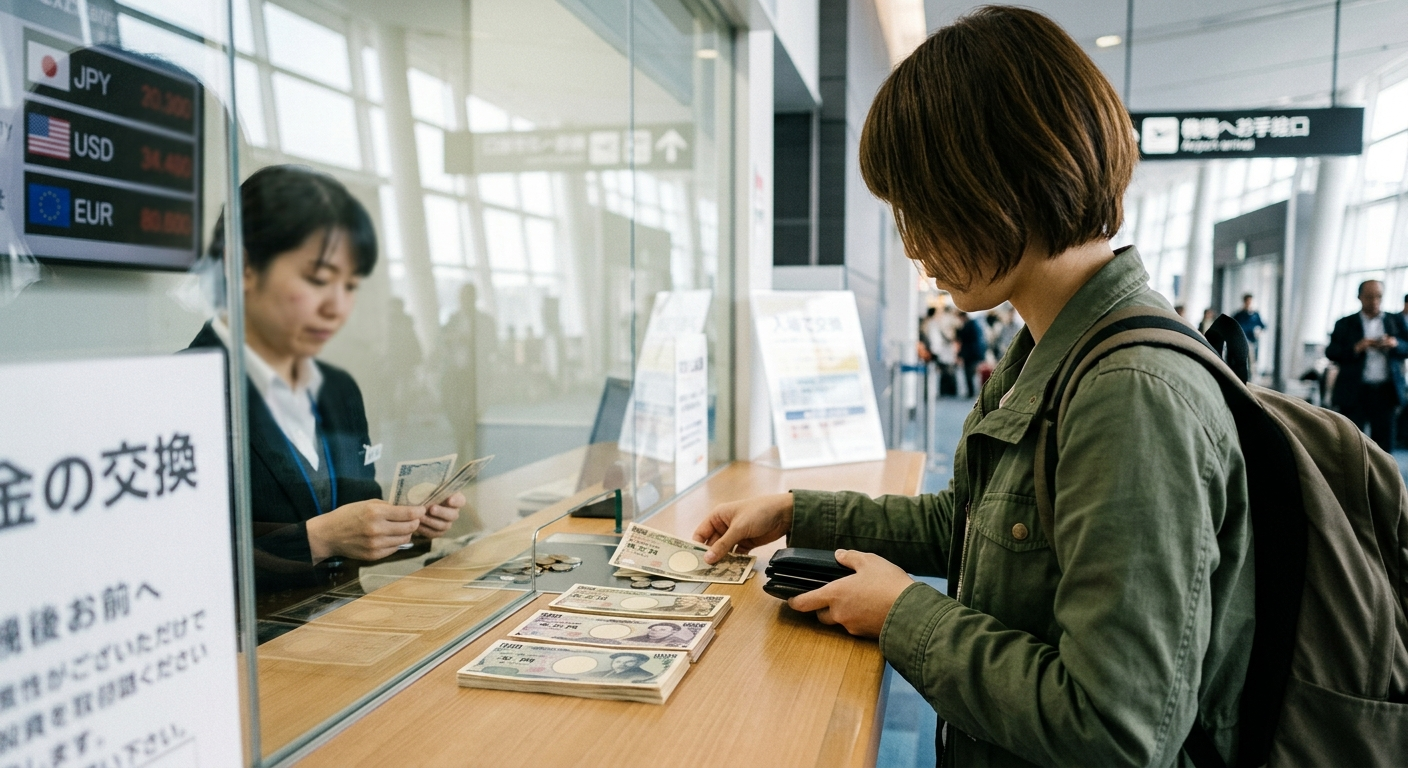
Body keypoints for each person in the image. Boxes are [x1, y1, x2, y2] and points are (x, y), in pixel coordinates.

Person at [693, 8, 1252, 766]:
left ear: (999, 183)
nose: (913, 242)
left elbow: (1118, 728)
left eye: (921, 206)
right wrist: (799, 513)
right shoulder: (1054, 345)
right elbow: (977, 523)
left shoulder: (1130, 392)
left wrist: (904, 616)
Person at [189, 165, 466, 591]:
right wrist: (317, 540)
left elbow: (354, 520)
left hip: (343, 632)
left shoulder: (338, 390)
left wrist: (408, 524)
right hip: (252, 649)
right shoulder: (181, 393)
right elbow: (175, 558)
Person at [1325, 279, 1408, 453]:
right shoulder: (1345, 323)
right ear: (1360, 297)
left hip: (1386, 392)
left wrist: (1395, 344)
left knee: (1384, 448)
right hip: (1355, 392)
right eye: (1370, 297)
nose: (1375, 301)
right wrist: (1357, 348)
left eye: (1379, 297)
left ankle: (1382, 480)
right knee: (1352, 444)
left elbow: (1406, 346)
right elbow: (1331, 352)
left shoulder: (1395, 321)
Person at [956, 311, 987, 397]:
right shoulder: (975, 325)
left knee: (969, 373)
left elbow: (964, 341)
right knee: (972, 373)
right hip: (974, 354)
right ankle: (973, 391)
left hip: (970, 354)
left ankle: (971, 392)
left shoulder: (968, 326)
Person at [1232, 293, 1266, 374]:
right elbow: (1232, 324)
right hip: (1241, 340)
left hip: (1251, 340)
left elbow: (1263, 326)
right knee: (1241, 360)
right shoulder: (1239, 314)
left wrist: (1258, 333)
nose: (1249, 303)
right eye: (1247, 301)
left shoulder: (1255, 314)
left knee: (1252, 361)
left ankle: (1252, 378)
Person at [588, 652, 657, 681]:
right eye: (618, 662)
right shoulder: (601, 674)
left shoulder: (643, 675)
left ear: (639, 663)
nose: (621, 665)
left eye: (630, 662)